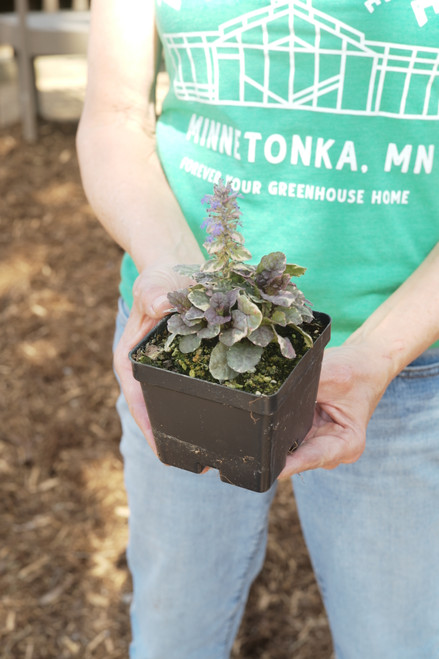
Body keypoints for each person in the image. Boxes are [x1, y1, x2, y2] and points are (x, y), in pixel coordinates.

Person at [76, 1, 439, 657]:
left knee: (398, 641)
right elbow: (115, 117)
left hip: (407, 369)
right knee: (172, 633)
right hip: (189, 356)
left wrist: (382, 354)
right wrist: (168, 273)